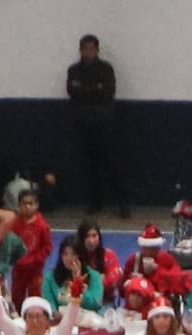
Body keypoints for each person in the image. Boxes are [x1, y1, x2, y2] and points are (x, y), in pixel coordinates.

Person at [64, 38, 120, 213]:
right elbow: (73, 92)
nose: (89, 52)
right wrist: (95, 89)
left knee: (111, 162)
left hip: (104, 123)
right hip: (84, 123)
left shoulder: (106, 69)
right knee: (90, 165)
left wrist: (86, 91)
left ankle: (121, 202)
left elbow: (108, 93)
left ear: (97, 50)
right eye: (85, 49)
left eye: (92, 49)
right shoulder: (74, 70)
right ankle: (95, 202)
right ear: (80, 50)